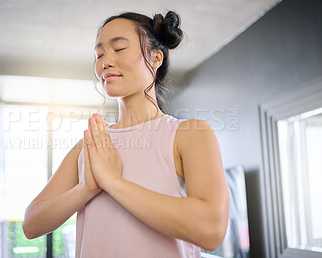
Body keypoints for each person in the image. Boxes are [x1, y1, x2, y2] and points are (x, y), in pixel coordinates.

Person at [23, 10, 230, 258]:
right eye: (99, 54)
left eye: (119, 49)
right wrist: (86, 189)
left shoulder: (188, 134)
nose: (104, 62)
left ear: (156, 58)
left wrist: (113, 182)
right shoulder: (91, 144)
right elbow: (31, 224)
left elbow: (211, 230)